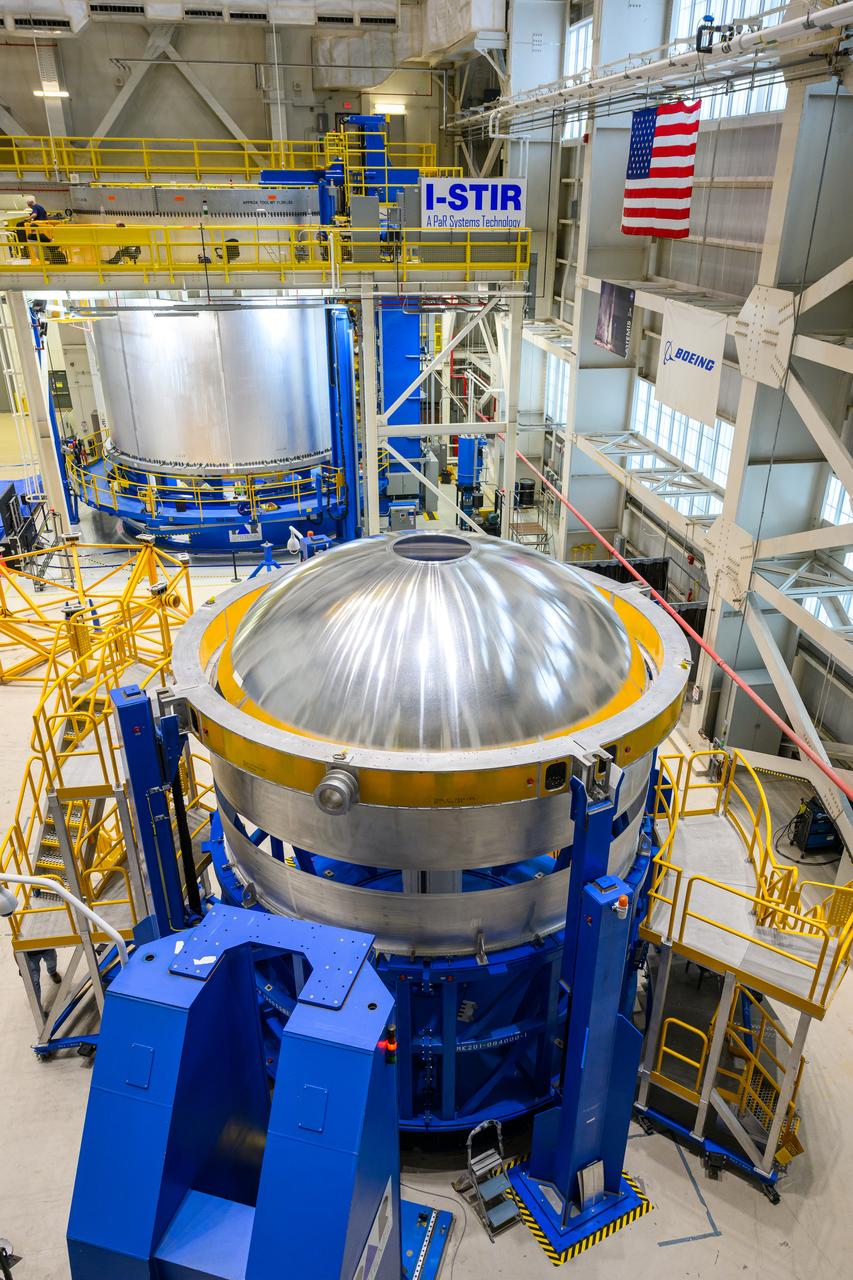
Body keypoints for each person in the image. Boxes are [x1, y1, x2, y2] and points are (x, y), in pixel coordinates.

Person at [24, 948, 61, 1014]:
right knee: (34, 981)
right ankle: (37, 1007)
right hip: (30, 954)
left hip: (47, 947)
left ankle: (52, 972)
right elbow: (15, 950)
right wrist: (21, 967)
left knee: (52, 962)